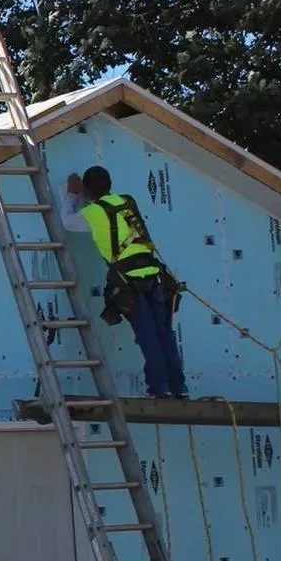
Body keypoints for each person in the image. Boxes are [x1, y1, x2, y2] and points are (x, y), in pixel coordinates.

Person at [63, 166, 188, 399]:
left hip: (130, 281)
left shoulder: (93, 212)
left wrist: (71, 196)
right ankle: (178, 387)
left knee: (147, 335)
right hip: (154, 276)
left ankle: (160, 388)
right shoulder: (127, 201)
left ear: (87, 191)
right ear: (110, 184)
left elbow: (66, 223)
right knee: (164, 332)